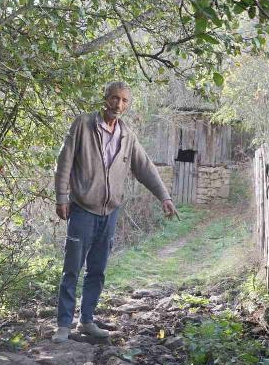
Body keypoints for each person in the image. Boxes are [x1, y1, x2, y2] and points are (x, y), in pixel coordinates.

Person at [51, 81, 179, 343]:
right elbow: (63, 163)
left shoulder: (127, 135)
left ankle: (86, 320)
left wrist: (164, 196)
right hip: (83, 209)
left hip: (110, 213)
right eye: (114, 98)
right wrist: (62, 198)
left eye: (124, 101)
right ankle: (63, 324)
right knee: (72, 268)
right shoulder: (83, 125)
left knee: (97, 270)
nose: (118, 105)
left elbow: (145, 168)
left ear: (127, 104)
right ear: (105, 98)